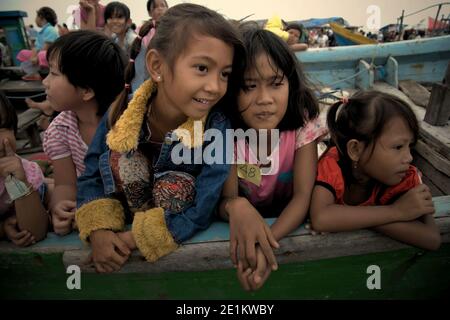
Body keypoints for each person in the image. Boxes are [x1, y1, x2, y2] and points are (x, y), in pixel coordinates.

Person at [75, 3, 245, 273]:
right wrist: (99, 229)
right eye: (202, 68)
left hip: (164, 232)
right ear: (156, 66)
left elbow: (205, 203)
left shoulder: (216, 126)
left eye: (224, 74)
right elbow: (92, 174)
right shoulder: (120, 113)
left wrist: (136, 239)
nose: (215, 87)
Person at [219, 28, 327, 291]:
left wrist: (265, 246)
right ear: (232, 91)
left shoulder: (302, 127)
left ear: (291, 84)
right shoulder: (224, 133)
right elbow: (225, 200)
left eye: (276, 84)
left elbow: (303, 196)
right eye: (249, 86)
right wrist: (236, 206)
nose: (264, 99)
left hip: (284, 213)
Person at [310, 91, 441, 251]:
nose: (409, 158)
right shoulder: (333, 165)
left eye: (410, 147)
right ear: (355, 149)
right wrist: (396, 212)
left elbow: (431, 239)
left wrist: (348, 219)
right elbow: (321, 218)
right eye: (398, 147)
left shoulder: (405, 177)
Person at [43, 30, 126, 236]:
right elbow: (64, 184)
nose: (45, 82)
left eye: (53, 73)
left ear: (87, 91)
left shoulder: (127, 122)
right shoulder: (60, 130)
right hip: (93, 205)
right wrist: (61, 208)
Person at [0, 91, 48, 246]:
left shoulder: (23, 171)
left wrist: (18, 182)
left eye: (3, 128)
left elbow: (35, 233)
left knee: (49, 190)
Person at [130, 0, 169, 93]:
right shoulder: (142, 30)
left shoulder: (175, 28)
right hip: (149, 72)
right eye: (155, 7)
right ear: (149, 13)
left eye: (163, 6)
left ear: (168, 9)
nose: (160, 9)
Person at [16, 7, 59, 81]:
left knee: (41, 54)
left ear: (41, 17)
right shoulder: (41, 31)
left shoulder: (50, 30)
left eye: (36, 16)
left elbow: (46, 47)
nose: (35, 19)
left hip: (52, 56)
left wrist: (36, 57)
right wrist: (33, 56)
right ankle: (34, 72)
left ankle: (42, 74)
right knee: (23, 53)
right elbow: (36, 47)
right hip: (42, 54)